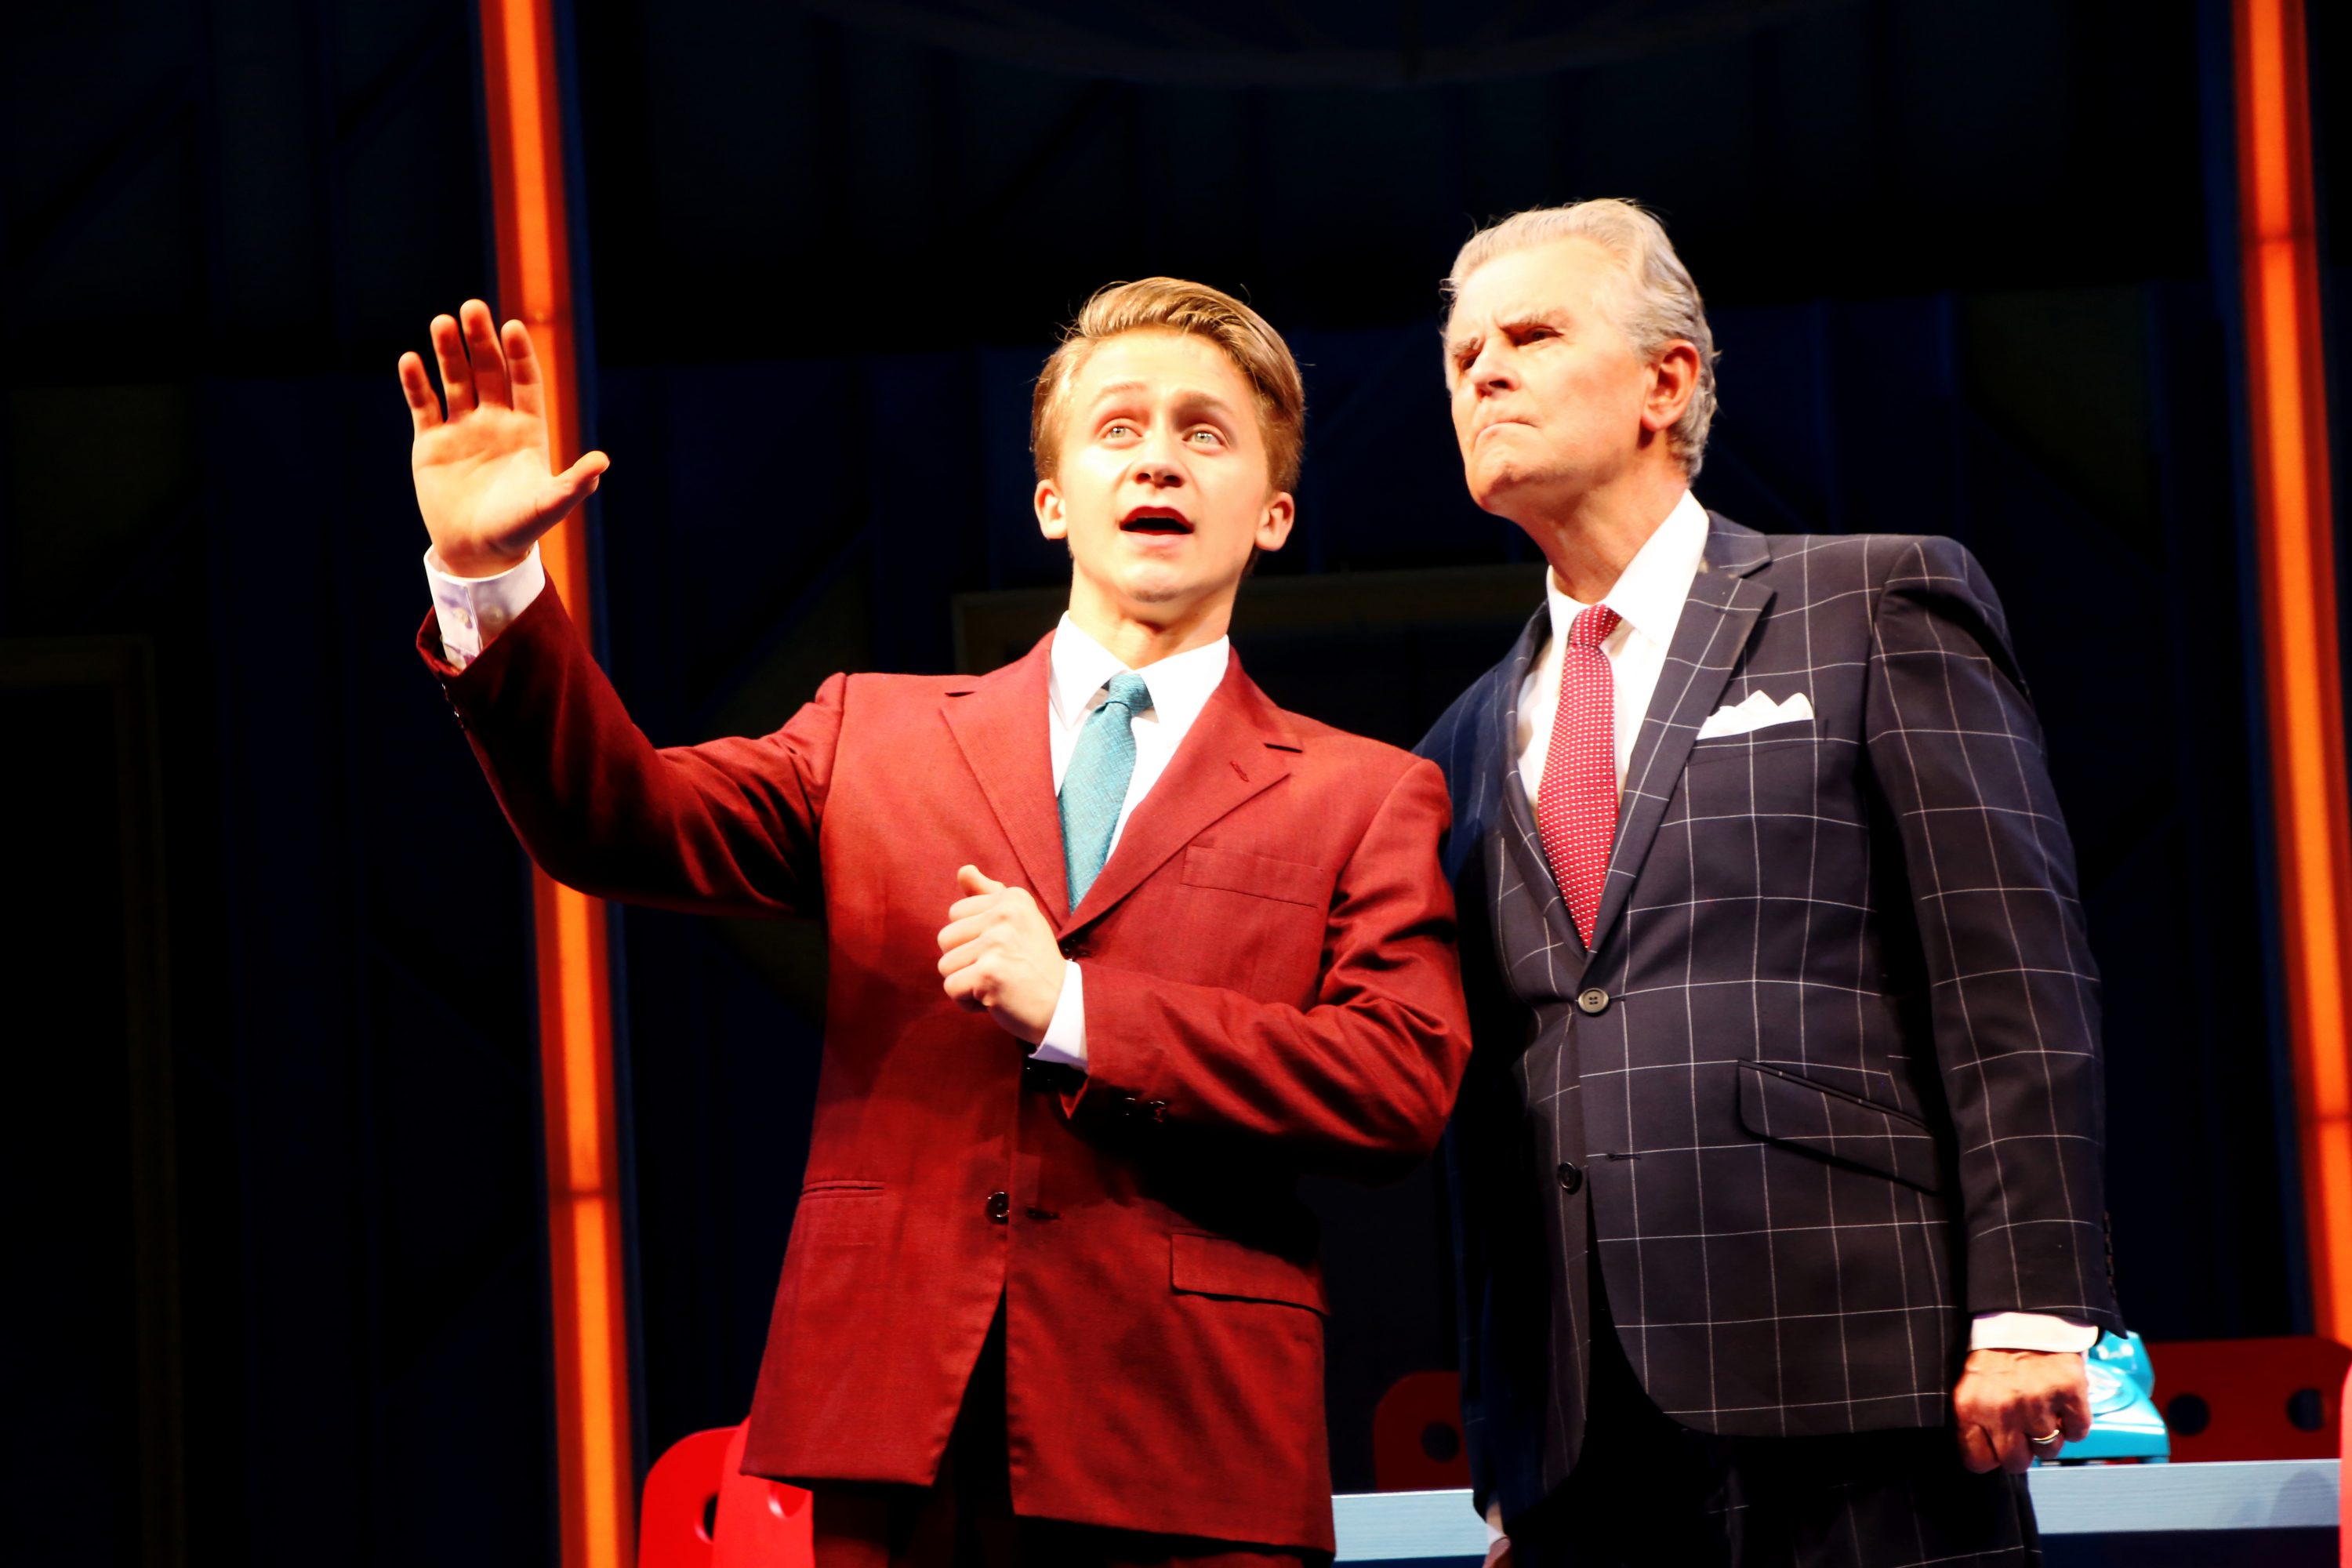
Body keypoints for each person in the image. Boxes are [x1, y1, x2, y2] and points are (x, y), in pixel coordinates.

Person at [397, 281, 1472, 1567]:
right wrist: (490, 578)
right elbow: (617, 823)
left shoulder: (1361, 794)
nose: (1158, 460)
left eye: (1205, 433)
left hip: (1190, 1444)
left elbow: (1400, 1081)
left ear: (1275, 513)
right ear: (1052, 500)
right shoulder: (876, 733)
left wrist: (1078, 1014)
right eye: (1118, 428)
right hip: (899, 1440)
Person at [1415, 201, 2120, 1567]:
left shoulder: (1868, 603)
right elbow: (1491, 1111)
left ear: (1666, 381)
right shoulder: (1457, 743)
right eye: (1461, 356)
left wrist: (2030, 1305)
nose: (1483, 373)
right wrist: (1508, 1450)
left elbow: (2011, 974)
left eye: (1533, 334)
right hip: (1584, 1444)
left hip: (1868, 1382)